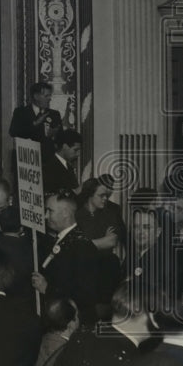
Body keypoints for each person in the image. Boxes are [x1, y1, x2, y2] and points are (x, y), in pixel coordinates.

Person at [31, 191, 99, 325]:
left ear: (66, 213)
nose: (45, 216)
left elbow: (85, 294)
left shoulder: (82, 246)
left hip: (72, 324)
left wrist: (47, 289)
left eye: (50, 211)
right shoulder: (61, 240)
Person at [75, 177, 125, 315]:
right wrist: (100, 241)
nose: (105, 199)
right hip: (83, 269)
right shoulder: (77, 215)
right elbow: (75, 246)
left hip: (105, 269)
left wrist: (87, 243)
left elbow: (111, 241)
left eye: (106, 196)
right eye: (101, 195)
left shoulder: (110, 213)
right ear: (90, 195)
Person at [8, 81, 62, 160]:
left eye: (50, 96)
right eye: (46, 96)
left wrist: (53, 135)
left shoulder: (54, 114)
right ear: (36, 96)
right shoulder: (21, 112)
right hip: (27, 161)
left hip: (48, 163)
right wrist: (34, 124)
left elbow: (61, 139)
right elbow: (13, 132)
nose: (50, 99)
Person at [43, 129, 82, 195]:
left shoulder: (68, 167)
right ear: (65, 147)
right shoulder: (50, 167)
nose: (78, 154)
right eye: (75, 150)